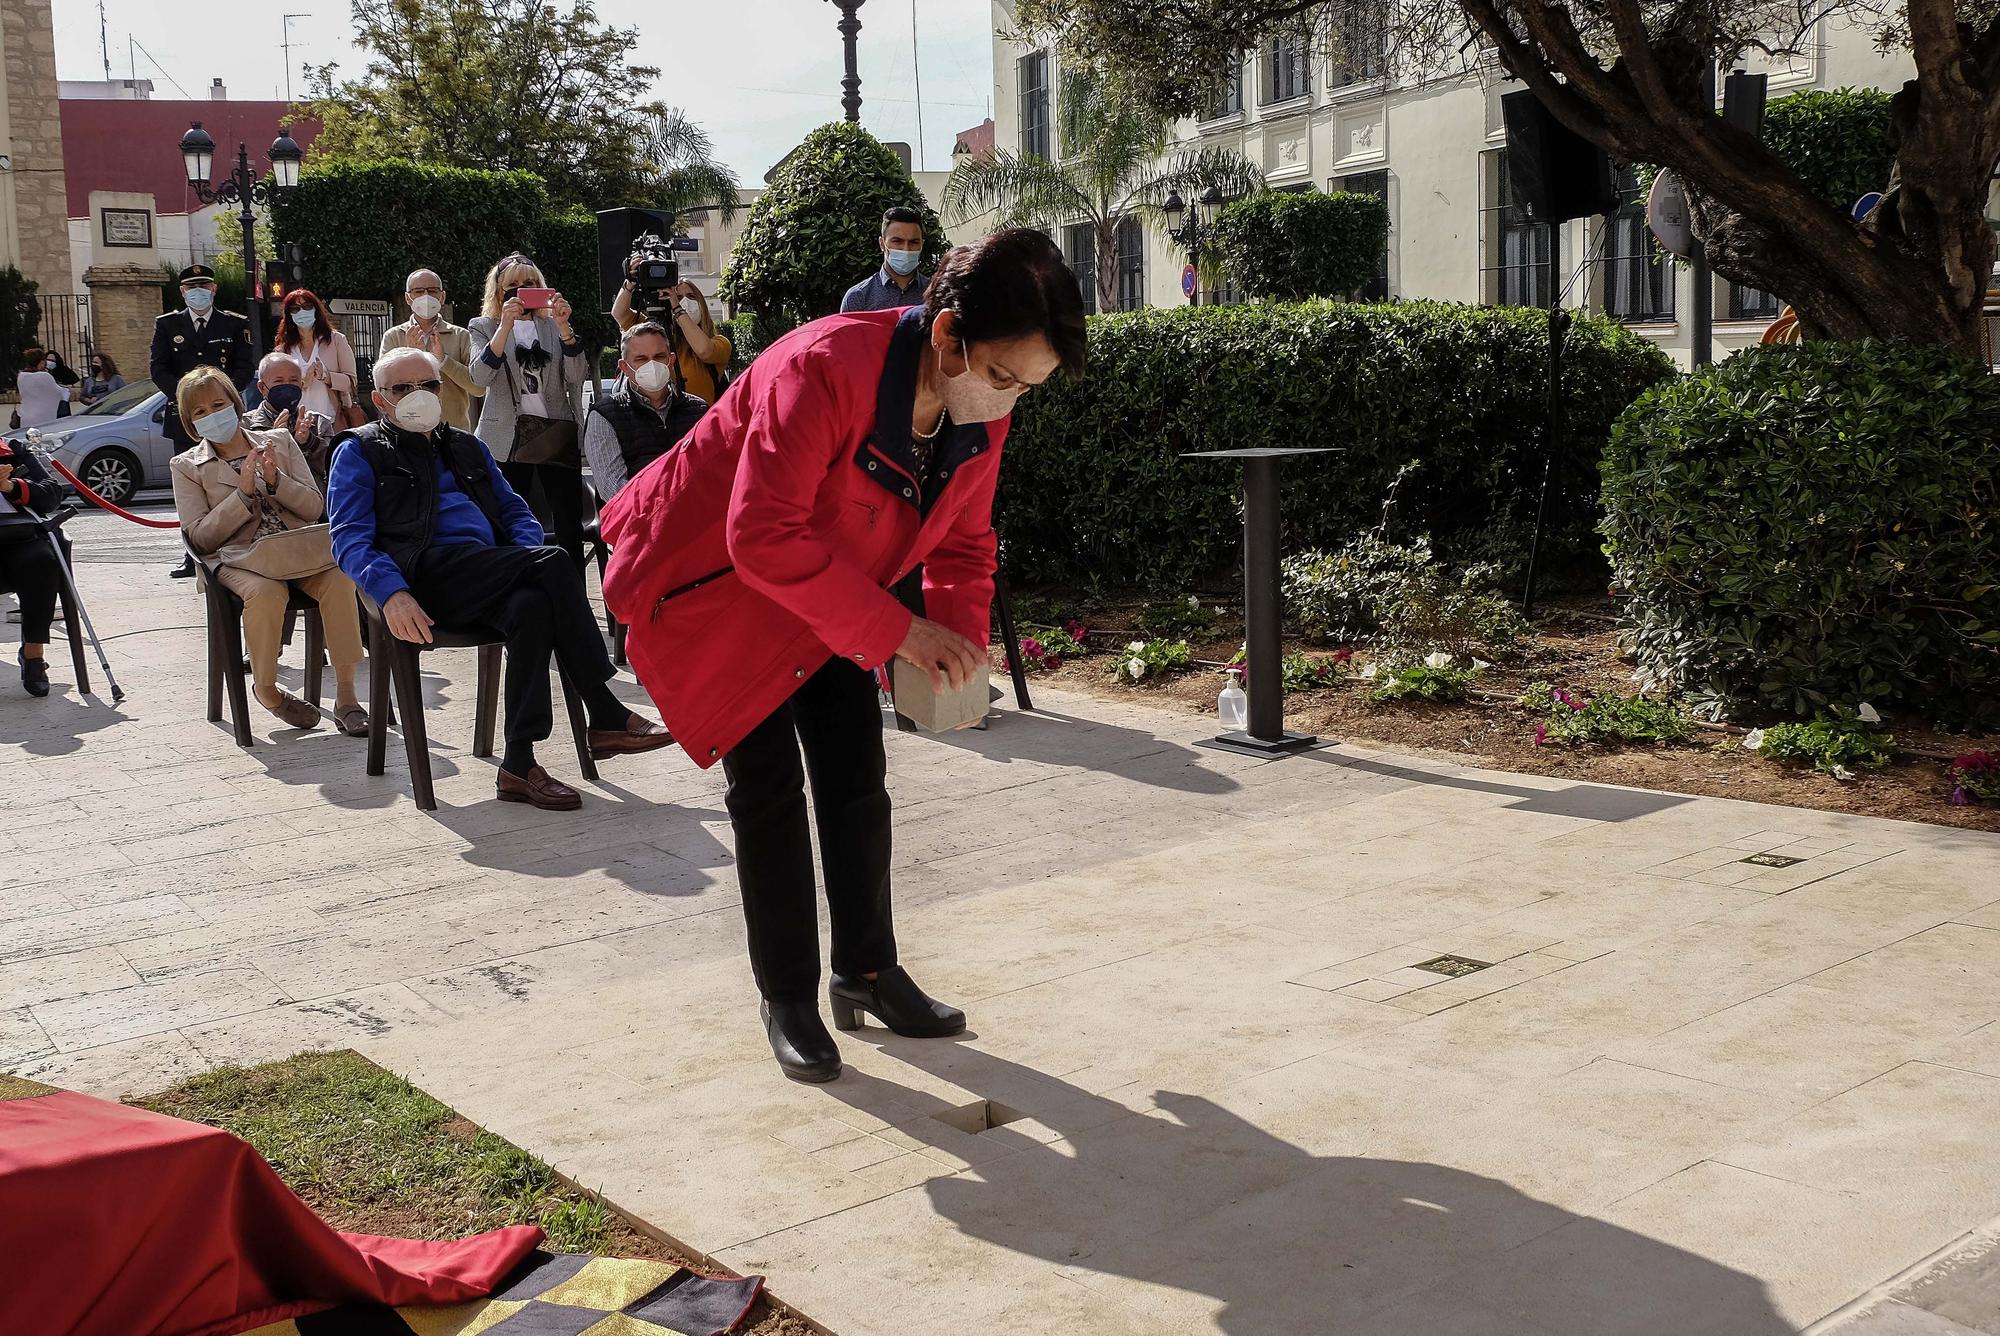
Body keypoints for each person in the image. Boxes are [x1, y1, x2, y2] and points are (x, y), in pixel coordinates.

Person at [600, 229, 1087, 1082]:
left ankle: (865, 971)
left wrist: (961, 649)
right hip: (716, 588)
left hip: (831, 591)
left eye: (1030, 389)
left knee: (858, 781)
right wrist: (901, 632)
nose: (1009, 402)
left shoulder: (979, 407)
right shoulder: (821, 366)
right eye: (1004, 377)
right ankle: (785, 995)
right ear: (947, 336)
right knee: (770, 794)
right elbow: (760, 535)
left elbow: (966, 542)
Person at [327, 346, 673, 809]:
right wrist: (391, 594)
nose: (417, 395)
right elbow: (349, 537)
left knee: (532, 604)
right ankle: (605, 710)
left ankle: (518, 764)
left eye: (427, 385)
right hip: (423, 576)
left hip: (487, 570)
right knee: (551, 563)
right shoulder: (360, 450)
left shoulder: (466, 445)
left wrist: (521, 560)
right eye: (402, 388)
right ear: (380, 399)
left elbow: (515, 511)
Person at [168, 365, 369, 735]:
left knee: (340, 578)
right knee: (266, 592)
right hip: (240, 560)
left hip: (297, 550)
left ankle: (347, 697)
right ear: (190, 422)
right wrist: (242, 496)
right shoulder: (186, 466)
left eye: (218, 403)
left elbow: (313, 507)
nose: (212, 414)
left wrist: (276, 481)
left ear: (235, 402)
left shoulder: (279, 440)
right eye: (199, 412)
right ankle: (267, 690)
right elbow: (199, 539)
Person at [466, 254, 589, 568]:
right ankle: (515, 588)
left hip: (555, 433)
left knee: (568, 523)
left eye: (531, 284)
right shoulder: (483, 326)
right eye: (514, 286)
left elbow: (576, 376)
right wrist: (505, 326)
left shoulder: (553, 326)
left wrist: (565, 328)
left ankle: (571, 593)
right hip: (505, 436)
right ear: (498, 292)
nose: (523, 291)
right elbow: (480, 378)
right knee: (508, 520)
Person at [153, 263, 253, 577]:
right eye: (191, 287)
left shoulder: (233, 324)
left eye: (204, 286)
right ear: (182, 292)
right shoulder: (168, 325)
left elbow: (244, 368)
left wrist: (223, 401)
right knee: (191, 486)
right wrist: (189, 401)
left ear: (214, 289)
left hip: (225, 416)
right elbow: (159, 369)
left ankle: (239, 541)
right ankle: (192, 554)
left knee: (229, 480)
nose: (198, 292)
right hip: (187, 419)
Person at [581, 322, 708, 502]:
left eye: (659, 356)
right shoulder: (604, 417)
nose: (652, 365)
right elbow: (614, 491)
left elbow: (712, 470)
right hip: (638, 523)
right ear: (624, 367)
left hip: (695, 518)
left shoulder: (699, 410)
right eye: (641, 359)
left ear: (671, 360)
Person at [0, 434, 68, 697]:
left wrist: (10, 487)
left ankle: (33, 655)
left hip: (19, 537)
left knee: (43, 560)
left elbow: (52, 494)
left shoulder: (13, 449)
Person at [379, 268, 483, 432]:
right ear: (408, 298)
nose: (426, 296)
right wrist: (410, 356)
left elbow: (478, 388)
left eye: (432, 291)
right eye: (418, 291)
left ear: (442, 297)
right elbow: (383, 387)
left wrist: (444, 361)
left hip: (452, 430)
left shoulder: (462, 336)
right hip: (406, 429)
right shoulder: (393, 336)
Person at [612, 274, 733, 405]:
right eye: (678, 297)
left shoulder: (720, 343)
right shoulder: (657, 336)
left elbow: (704, 350)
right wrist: (630, 282)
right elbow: (619, 313)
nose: (685, 302)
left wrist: (677, 308)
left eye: (691, 297)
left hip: (699, 420)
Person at [242, 352, 335, 489]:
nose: (287, 387)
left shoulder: (318, 423)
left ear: (301, 384)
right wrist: (273, 439)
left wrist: (309, 442)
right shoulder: (246, 426)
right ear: (262, 388)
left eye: (293, 381)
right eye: (279, 381)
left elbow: (333, 468)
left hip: (312, 504)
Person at [272, 288, 358, 427]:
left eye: (307, 307)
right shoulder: (283, 349)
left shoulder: (336, 340)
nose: (302, 312)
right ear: (289, 315)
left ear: (316, 310)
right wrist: (302, 383)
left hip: (332, 421)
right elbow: (277, 389)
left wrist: (326, 376)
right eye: (295, 309)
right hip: (296, 424)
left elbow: (351, 383)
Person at [838, 207, 932, 313]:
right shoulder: (858, 297)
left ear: (922, 245)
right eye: (897, 241)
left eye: (913, 242)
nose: (906, 249)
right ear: (882, 244)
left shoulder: (936, 294)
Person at [13, 349, 64, 429]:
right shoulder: (45, 376)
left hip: (26, 417)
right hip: (43, 418)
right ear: (41, 361)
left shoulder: (21, 376)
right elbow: (59, 393)